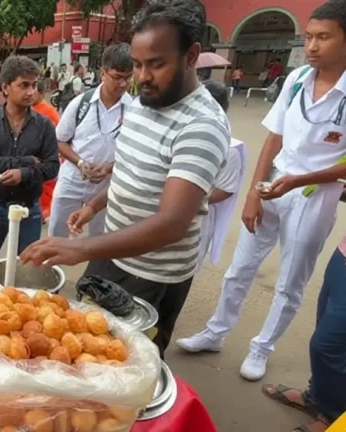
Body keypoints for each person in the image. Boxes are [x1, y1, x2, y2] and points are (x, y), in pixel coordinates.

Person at [20, 0, 230, 357]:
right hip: (112, 252)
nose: (143, 76)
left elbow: (172, 224)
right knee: (90, 348)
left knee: (132, 362)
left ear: (192, 55)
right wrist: (94, 205)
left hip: (153, 275)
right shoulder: (142, 102)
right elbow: (130, 171)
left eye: (157, 64)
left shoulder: (202, 125)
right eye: (137, 65)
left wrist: (79, 247)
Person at [178, 0, 346, 381]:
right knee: (240, 268)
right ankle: (215, 332)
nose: (314, 45)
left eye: (324, 37)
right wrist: (255, 190)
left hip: (314, 195)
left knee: (290, 281)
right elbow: (275, 137)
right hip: (276, 184)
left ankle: (261, 348)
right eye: (309, 37)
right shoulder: (298, 78)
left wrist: (300, 181)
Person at [0, 56, 60, 253]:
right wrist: (27, 162)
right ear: (6, 88)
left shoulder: (44, 125)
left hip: (29, 209)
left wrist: (24, 174)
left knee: (26, 267)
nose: (31, 92)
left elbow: (52, 166)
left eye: (34, 85)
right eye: (24, 85)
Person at [48, 43, 134, 239]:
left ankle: (96, 270)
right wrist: (80, 163)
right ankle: (52, 269)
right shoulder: (81, 104)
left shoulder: (134, 110)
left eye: (128, 78)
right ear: (103, 74)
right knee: (57, 234)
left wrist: (108, 169)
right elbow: (59, 141)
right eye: (117, 77)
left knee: (101, 238)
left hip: (106, 187)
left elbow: (133, 155)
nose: (123, 84)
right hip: (72, 181)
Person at [263, 235, 346, 432]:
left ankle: (333, 414)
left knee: (327, 346)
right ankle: (316, 397)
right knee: (324, 322)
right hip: (342, 254)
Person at [192, 80, 246, 271]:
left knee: (187, 266)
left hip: (200, 217)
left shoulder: (230, 149)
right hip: (172, 211)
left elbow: (224, 190)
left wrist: (189, 199)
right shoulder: (188, 134)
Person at [32, 79, 61, 223]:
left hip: (45, 157)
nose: (29, 92)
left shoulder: (49, 111)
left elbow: (58, 137)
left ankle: (44, 212)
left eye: (33, 88)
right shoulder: (27, 108)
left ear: (42, 93)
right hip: (31, 158)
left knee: (47, 188)